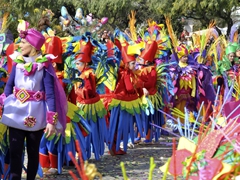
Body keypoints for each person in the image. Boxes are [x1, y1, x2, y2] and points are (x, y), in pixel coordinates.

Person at [0, 28, 67, 180]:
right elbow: (9, 87)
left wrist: (51, 121)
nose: (19, 45)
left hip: (35, 115)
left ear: (33, 46)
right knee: (15, 151)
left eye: (23, 42)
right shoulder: (17, 63)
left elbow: (50, 95)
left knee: (32, 152)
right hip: (15, 113)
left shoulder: (44, 66)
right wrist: (3, 104)